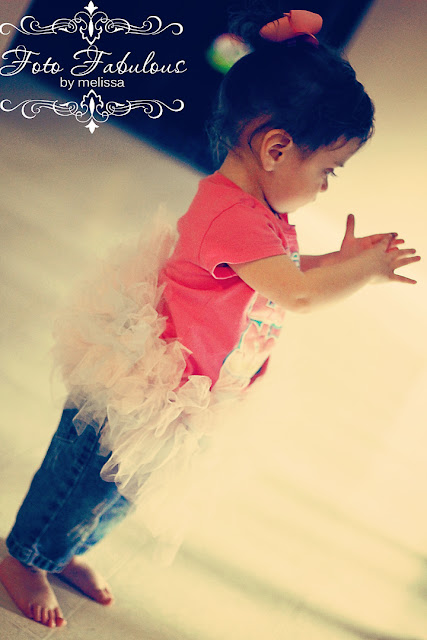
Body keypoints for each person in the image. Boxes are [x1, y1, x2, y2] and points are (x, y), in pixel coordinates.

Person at [0, 6, 420, 630]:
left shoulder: (261, 213)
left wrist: (341, 259)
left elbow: (284, 270)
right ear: (276, 148)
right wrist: (362, 271)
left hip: (192, 387)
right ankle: (25, 556)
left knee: (125, 487)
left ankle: (65, 551)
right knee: (83, 477)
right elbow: (298, 294)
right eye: (328, 170)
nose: (328, 186)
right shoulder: (233, 217)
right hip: (146, 382)